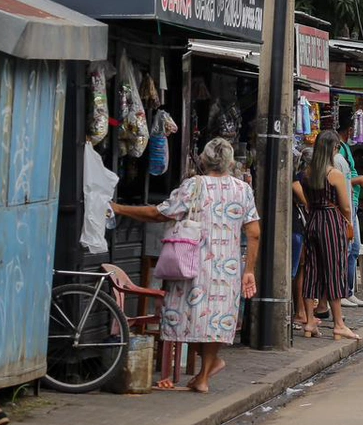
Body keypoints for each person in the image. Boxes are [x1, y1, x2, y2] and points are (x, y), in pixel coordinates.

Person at [112, 138, 261, 393]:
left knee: (187, 316)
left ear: (203, 160)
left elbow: (160, 213)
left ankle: (207, 368)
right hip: (228, 267)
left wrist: (119, 208)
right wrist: (249, 270)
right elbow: (254, 232)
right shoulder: (242, 190)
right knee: (217, 320)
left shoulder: (194, 186)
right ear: (230, 162)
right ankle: (204, 374)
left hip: (193, 262)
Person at [301, 130, 359, 341]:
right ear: (334, 149)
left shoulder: (308, 173)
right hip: (331, 222)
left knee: (311, 270)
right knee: (335, 270)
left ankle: (309, 322)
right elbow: (345, 206)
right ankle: (339, 324)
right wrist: (348, 223)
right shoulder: (334, 174)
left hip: (313, 220)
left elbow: (307, 200)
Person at [336, 126, 363, 308]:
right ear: (350, 129)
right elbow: (340, 180)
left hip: (352, 203)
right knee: (349, 248)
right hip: (347, 206)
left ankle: (348, 291)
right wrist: (357, 181)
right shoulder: (339, 152)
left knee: (353, 248)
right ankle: (342, 292)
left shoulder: (345, 148)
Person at [291, 148, 312, 327]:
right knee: (299, 268)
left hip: (300, 224)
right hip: (297, 224)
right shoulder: (299, 177)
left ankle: (302, 311)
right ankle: (300, 312)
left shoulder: (300, 177)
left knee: (301, 268)